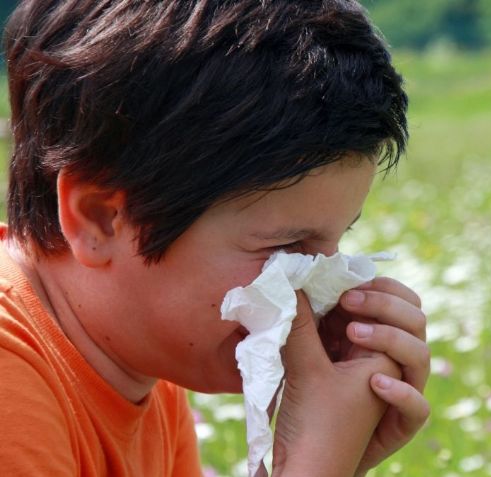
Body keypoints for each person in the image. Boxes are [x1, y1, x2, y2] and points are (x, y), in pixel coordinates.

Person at [0, 1, 431, 476]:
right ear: (100, 219)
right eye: (287, 249)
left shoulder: (141, 362)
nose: (326, 292)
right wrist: (317, 466)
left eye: (337, 243)